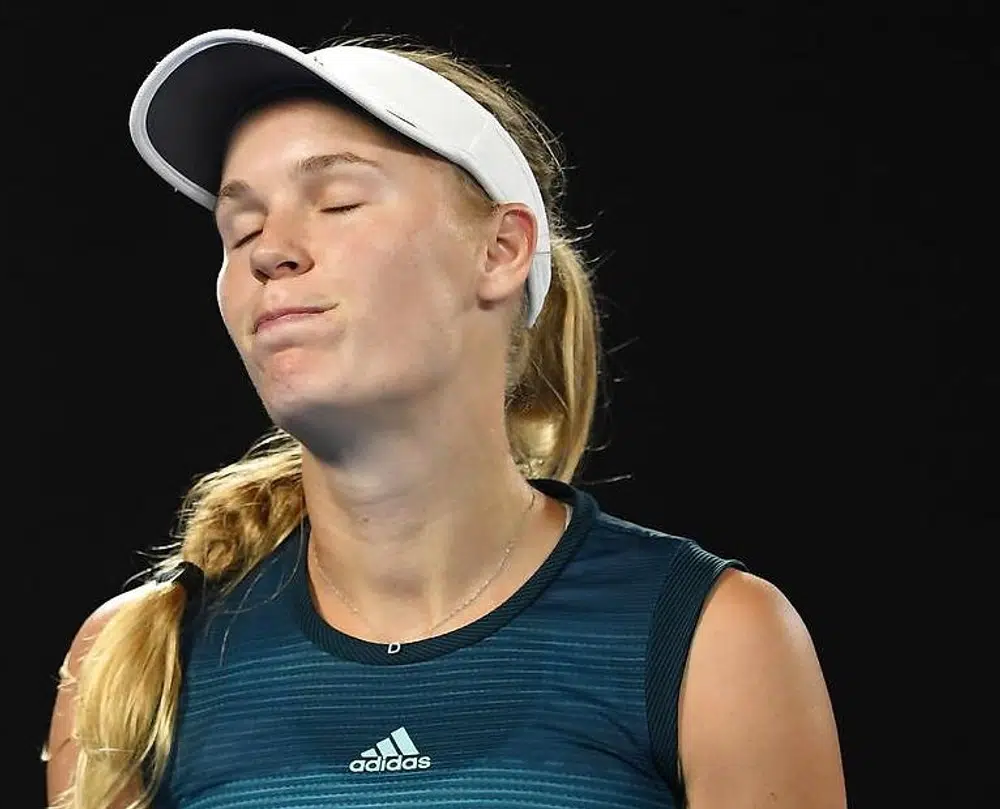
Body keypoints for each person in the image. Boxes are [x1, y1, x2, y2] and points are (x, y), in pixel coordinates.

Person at [44, 28, 846, 809]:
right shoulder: (134, 664)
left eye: (338, 201)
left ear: (499, 251)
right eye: (240, 226)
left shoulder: (712, 639)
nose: (269, 250)